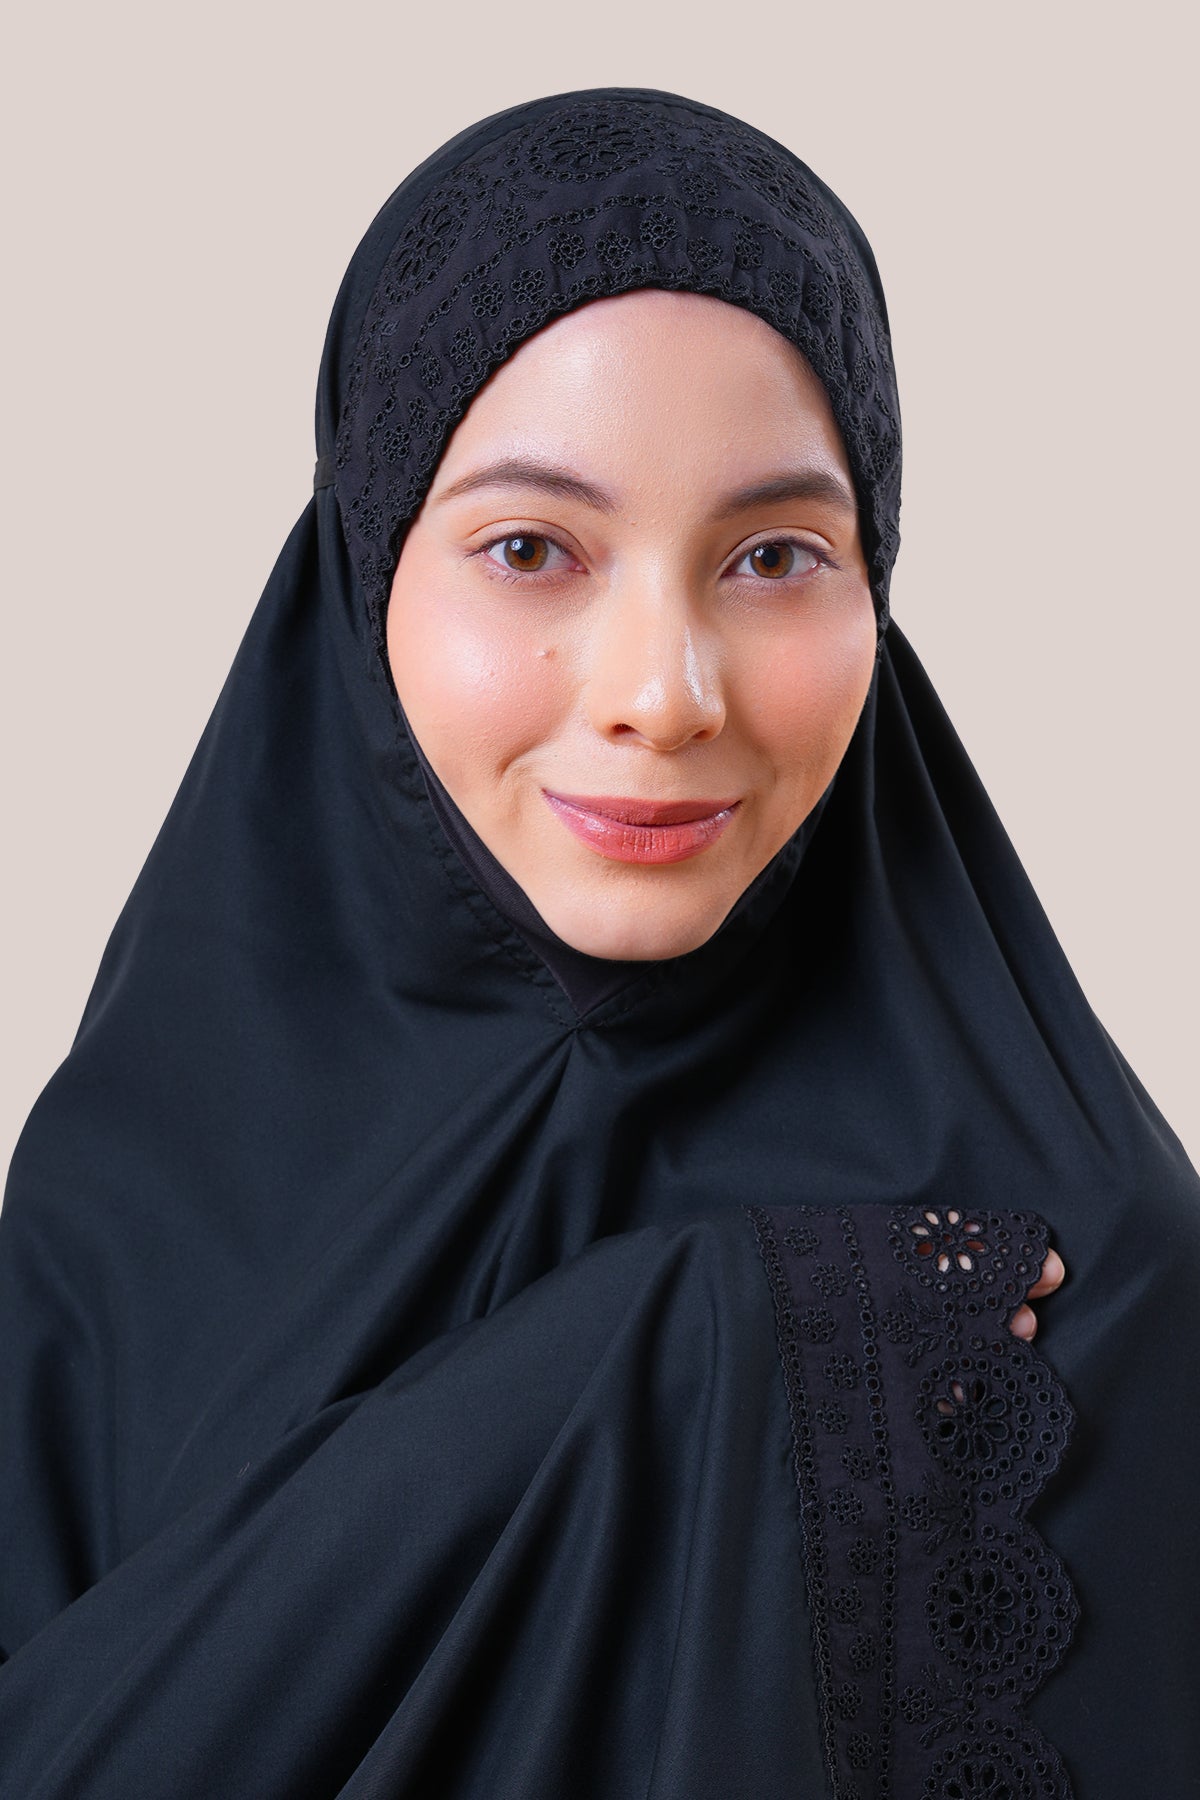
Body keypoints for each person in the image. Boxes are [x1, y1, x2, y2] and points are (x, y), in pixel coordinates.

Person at [0, 86, 1195, 1799]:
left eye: (774, 556)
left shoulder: (1063, 1287)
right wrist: (704, 1345)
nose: (663, 692)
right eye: (530, 549)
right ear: (364, 571)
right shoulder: (127, 1196)